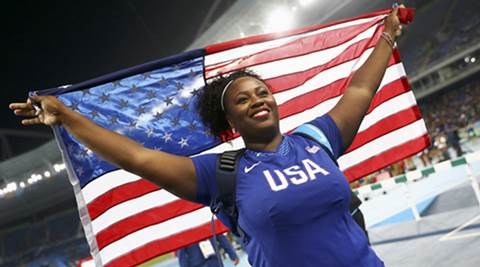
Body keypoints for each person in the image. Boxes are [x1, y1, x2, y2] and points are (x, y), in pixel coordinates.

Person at [10, 6, 405, 267]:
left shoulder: (315, 139)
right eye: (242, 100)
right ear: (230, 121)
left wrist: (387, 35)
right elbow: (138, 157)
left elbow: (357, 92)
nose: (257, 100)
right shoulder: (223, 173)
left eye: (262, 92)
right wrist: (67, 117)